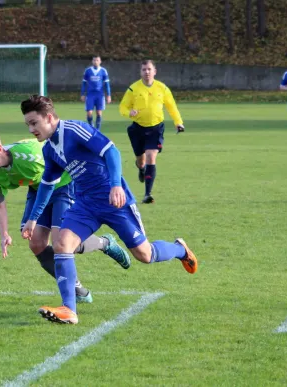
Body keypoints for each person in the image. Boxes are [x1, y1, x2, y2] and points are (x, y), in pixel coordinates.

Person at [20, 95, 198, 325]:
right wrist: (33, 218)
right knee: (62, 244)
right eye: (28, 124)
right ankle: (69, 309)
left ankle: (179, 250)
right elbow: (46, 184)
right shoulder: (49, 150)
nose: (31, 129)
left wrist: (115, 184)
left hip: (115, 201)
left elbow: (110, 151)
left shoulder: (74, 130)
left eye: (34, 123)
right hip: (85, 204)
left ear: (50, 117)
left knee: (145, 255)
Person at [0, 127, 131, 304]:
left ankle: (104, 243)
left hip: (64, 184)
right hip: (38, 189)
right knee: (36, 244)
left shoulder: (31, 155)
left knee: (61, 242)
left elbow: (62, 157)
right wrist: (4, 234)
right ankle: (75, 286)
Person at [119, 60, 185, 204]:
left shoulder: (162, 88)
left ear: (155, 71)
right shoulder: (133, 89)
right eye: (144, 70)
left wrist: (178, 122)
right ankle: (141, 169)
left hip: (156, 128)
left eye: (149, 69)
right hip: (137, 128)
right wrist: (129, 112)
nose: (147, 72)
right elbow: (122, 107)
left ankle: (147, 194)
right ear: (140, 72)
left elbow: (171, 106)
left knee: (150, 156)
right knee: (141, 161)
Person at [80, 55, 111, 131]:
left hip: (100, 95)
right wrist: (82, 94)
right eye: (94, 60)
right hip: (90, 95)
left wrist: (108, 95)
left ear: (100, 61)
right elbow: (84, 83)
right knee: (89, 113)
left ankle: (97, 130)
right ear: (92, 61)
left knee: (99, 113)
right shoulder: (88, 71)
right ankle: (91, 128)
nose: (96, 62)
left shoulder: (103, 71)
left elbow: (107, 84)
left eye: (97, 60)